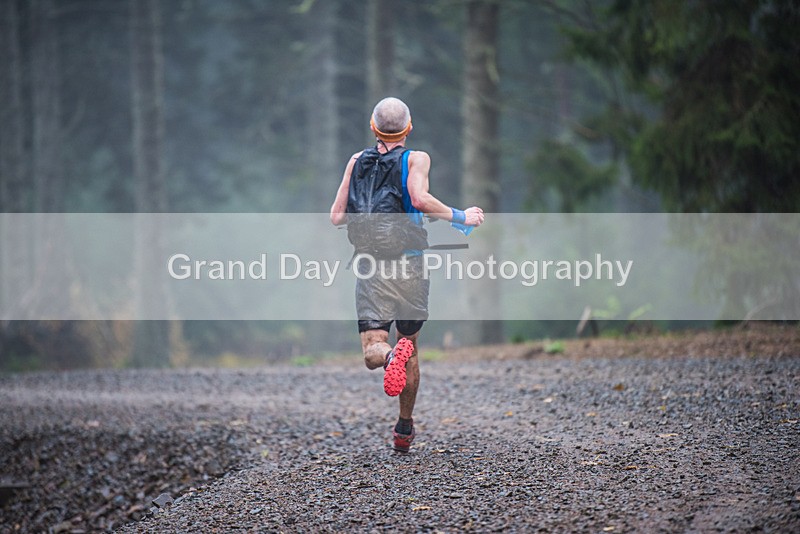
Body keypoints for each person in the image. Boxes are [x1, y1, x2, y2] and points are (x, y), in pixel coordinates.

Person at [330, 97, 484, 453]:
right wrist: (462, 217)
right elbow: (418, 198)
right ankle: (404, 427)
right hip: (412, 265)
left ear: (373, 127)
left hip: (371, 266)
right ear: (408, 129)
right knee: (409, 345)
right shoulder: (416, 158)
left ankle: (388, 359)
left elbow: (337, 217)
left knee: (373, 349)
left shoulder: (355, 162)